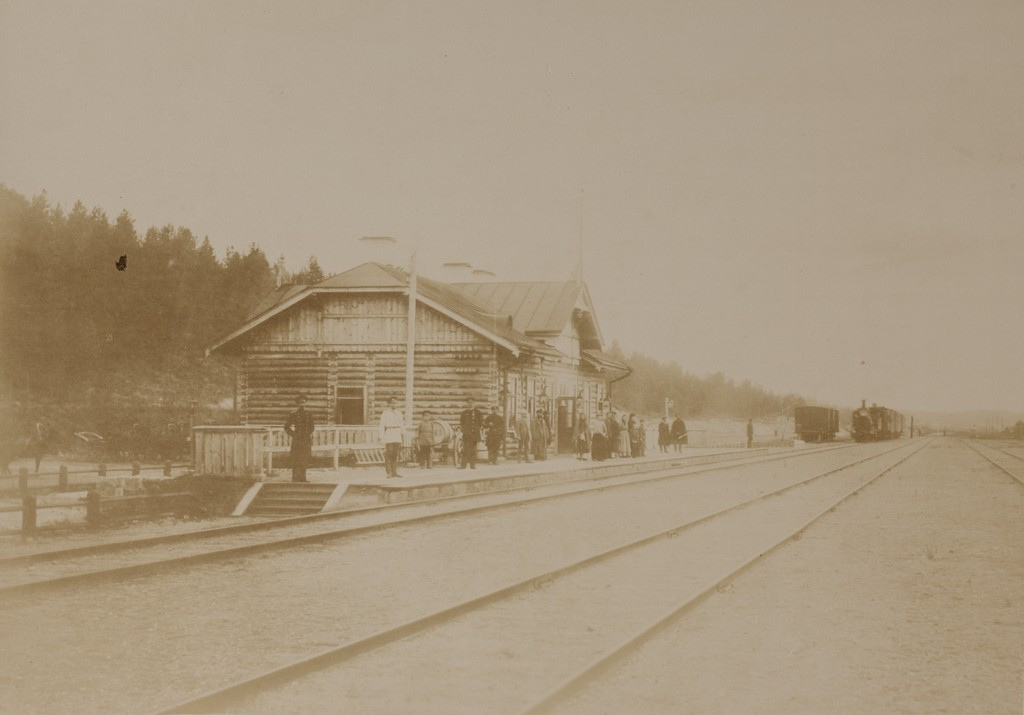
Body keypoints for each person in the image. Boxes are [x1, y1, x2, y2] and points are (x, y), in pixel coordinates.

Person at [283, 395, 315, 482]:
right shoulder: (293, 414)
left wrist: (307, 433)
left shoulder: (309, 414)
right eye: (300, 402)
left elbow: (312, 427)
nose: (302, 404)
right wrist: (294, 434)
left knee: (305, 458)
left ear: (306, 403)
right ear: (297, 403)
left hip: (306, 439)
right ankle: (295, 478)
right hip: (297, 439)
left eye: (303, 402)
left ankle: (303, 478)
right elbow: (286, 427)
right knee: (296, 458)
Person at [379, 397, 404, 478]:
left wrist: (403, 432)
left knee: (396, 454)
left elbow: (402, 424)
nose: (394, 404)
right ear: (389, 404)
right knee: (389, 453)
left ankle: (394, 471)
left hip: (397, 434)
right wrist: (382, 436)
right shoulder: (385, 413)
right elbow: (381, 425)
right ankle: (388, 472)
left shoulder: (399, 413)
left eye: (395, 403)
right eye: (392, 403)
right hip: (389, 433)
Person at [459, 396, 484, 469]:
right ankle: (463, 465)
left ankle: (473, 465)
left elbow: (480, 423)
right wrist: (465, 431)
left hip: (475, 434)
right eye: (469, 403)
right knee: (466, 450)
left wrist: (477, 429)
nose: (470, 404)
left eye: (472, 403)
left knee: (473, 450)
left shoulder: (478, 412)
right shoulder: (464, 413)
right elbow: (462, 424)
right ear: (467, 403)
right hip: (467, 434)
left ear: (474, 403)